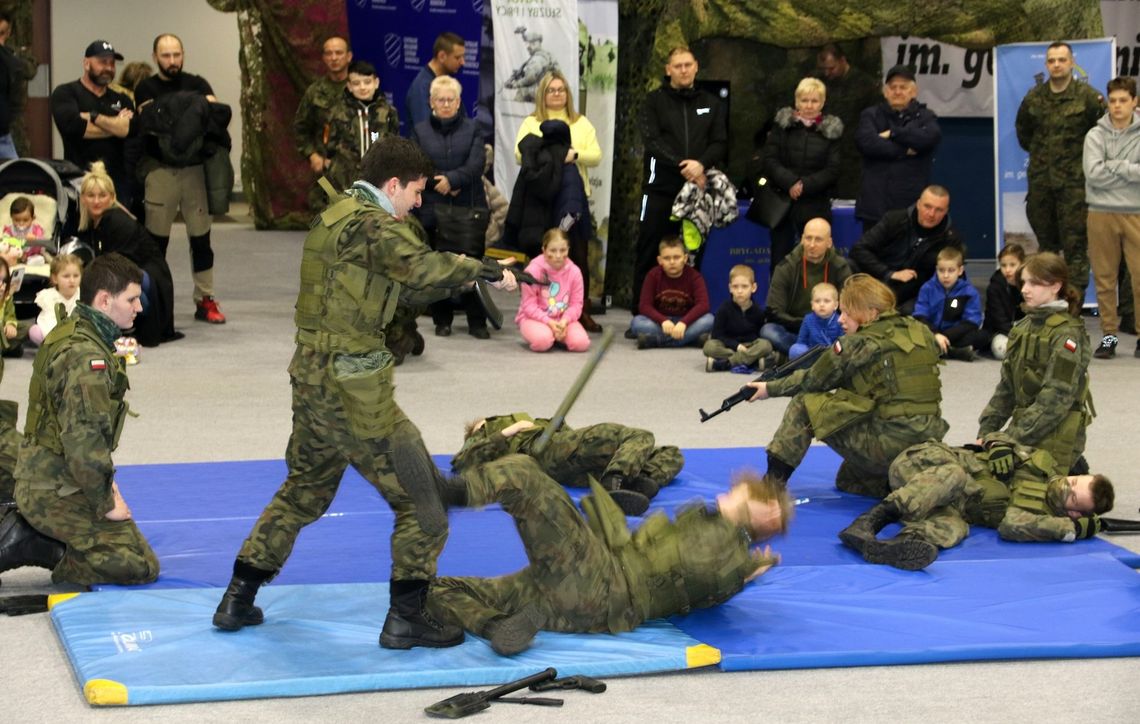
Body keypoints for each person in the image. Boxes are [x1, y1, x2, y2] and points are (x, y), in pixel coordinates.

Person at [211, 136, 518, 650]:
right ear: (392, 185)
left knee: (303, 490)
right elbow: (420, 267)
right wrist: (482, 269)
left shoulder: (336, 215)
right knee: (423, 505)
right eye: (416, 193)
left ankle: (238, 596)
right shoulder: (374, 224)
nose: (419, 203)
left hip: (311, 379)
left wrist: (451, 284)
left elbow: (393, 284)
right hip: (356, 390)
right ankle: (407, 618)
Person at [427, 455, 789, 656]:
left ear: (765, 511)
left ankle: (449, 493)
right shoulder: (728, 552)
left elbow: (701, 568)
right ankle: (495, 626)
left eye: (745, 493)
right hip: (577, 602)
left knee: (524, 475)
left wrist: (743, 535)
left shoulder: (726, 550)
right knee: (435, 590)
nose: (735, 490)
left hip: (600, 583)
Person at [0, 253, 159, 586]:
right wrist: (105, 501)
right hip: (52, 486)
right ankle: (35, 541)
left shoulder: (78, 330)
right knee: (137, 566)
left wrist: (107, 483)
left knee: (135, 554)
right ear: (104, 300)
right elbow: (83, 444)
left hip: (54, 472)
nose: (138, 307)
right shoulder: (87, 358)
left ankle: (45, 535)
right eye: (131, 299)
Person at [748, 273, 947, 498]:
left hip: (888, 447)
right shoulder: (920, 330)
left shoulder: (856, 343)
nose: (841, 319)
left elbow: (812, 380)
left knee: (805, 404)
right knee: (848, 479)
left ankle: (771, 487)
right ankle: (901, 484)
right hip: (927, 446)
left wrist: (769, 388)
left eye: (848, 313)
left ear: (872, 313)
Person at [839, 437, 1114, 570]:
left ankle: (894, 546)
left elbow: (1011, 525)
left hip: (947, 501)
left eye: (1073, 493)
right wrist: (999, 445)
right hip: (928, 463)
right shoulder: (1040, 463)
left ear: (1075, 511)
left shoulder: (1042, 514)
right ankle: (867, 524)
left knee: (955, 528)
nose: (1068, 484)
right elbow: (992, 437)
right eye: (1076, 480)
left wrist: (1071, 529)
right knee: (955, 475)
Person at [134, 33, 229, 325]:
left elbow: (216, 116)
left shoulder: (198, 82)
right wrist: (193, 109)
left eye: (176, 54)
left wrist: (172, 111)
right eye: (165, 55)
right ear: (155, 57)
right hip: (160, 171)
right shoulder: (145, 87)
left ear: (183, 54)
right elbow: (150, 122)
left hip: (194, 172)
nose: (172, 61)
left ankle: (206, 299)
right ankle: (153, 298)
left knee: (201, 240)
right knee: (155, 242)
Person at [977, 252, 1092, 476]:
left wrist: (1008, 438)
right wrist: (988, 429)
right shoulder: (1023, 328)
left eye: (1034, 283)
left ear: (1056, 286)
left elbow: (1055, 400)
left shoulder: (1067, 335)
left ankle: (1073, 470)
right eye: (1024, 282)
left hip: (1056, 431)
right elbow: (1007, 388)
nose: (1024, 289)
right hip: (1025, 428)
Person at [635, 47, 727, 313]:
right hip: (659, 189)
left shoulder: (712, 103)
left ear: (696, 66)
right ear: (668, 69)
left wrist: (700, 165)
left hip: (698, 192)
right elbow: (652, 140)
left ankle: (688, 313)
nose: (683, 70)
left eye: (688, 65)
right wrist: (682, 165)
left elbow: (720, 142)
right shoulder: (654, 101)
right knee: (649, 248)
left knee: (693, 253)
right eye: (678, 66)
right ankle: (640, 312)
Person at [451, 413, 684, 515]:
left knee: (671, 454)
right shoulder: (484, 431)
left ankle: (635, 482)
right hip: (545, 453)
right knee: (640, 436)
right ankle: (614, 484)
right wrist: (507, 432)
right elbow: (461, 461)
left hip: (570, 458)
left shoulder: (530, 422)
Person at [514, 71, 603, 332]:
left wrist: (573, 154)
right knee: (539, 258)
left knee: (578, 255)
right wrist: (552, 156)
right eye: (551, 90)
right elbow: (520, 155)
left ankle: (581, 311)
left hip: (573, 200)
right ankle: (536, 311)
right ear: (543, 94)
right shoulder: (532, 122)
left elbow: (595, 155)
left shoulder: (581, 123)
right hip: (540, 198)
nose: (556, 94)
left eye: (561, 89)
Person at [1017, 41, 1103, 300]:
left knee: (1076, 248)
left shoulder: (1088, 97)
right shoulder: (1034, 97)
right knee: (1047, 247)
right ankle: (1048, 302)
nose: (1056, 65)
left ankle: (1073, 306)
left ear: (1071, 62)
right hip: (1041, 184)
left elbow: (1101, 134)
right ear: (1046, 64)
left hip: (1074, 187)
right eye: (1052, 60)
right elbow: (1024, 134)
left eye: (1062, 60)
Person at [411, 75, 491, 340]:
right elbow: (416, 163)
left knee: (472, 263)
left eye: (451, 99)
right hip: (434, 207)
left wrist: (454, 180)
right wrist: (440, 182)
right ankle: (442, 319)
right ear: (432, 102)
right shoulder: (420, 131)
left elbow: (477, 162)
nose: (446, 104)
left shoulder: (474, 128)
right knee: (439, 265)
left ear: (459, 102)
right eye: (440, 99)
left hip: (469, 207)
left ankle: (477, 321)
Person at [76, 161, 178, 348]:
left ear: (112, 197)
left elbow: (116, 269)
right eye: (91, 195)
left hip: (151, 280)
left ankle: (128, 322)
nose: (96, 201)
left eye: (102, 196)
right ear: (82, 198)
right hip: (137, 273)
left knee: (115, 282)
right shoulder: (92, 223)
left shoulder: (116, 222)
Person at [754, 77, 842, 271]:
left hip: (816, 204)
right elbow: (769, 160)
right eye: (804, 100)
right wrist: (791, 182)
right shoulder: (781, 127)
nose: (809, 105)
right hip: (782, 204)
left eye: (814, 101)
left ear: (823, 102)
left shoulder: (832, 132)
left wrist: (804, 185)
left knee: (818, 263)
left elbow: (833, 169)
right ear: (796, 101)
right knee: (780, 262)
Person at [1083, 76, 1140, 359]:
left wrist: (1113, 166)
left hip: (1136, 214)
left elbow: (1105, 172)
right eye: (1113, 101)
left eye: (1123, 100)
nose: (1117, 106)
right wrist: (1130, 169)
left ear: (1134, 102)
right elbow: (1093, 174)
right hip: (1100, 213)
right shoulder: (1094, 136)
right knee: (1104, 279)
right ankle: (1108, 337)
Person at [49, 40, 136, 210]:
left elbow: (129, 129)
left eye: (112, 63)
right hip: (79, 178)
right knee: (80, 232)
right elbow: (73, 127)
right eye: (102, 62)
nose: (109, 68)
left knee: (116, 233)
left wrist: (94, 117)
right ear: (86, 63)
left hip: (115, 181)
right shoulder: (66, 93)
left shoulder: (121, 98)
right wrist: (115, 126)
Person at [848, 185, 962, 313]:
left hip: (914, 293)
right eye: (927, 206)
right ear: (918, 204)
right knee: (847, 265)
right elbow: (858, 249)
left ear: (946, 211)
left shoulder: (950, 239)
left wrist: (952, 311)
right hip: (877, 279)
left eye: (939, 210)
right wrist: (889, 273)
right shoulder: (894, 220)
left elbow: (958, 279)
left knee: (914, 310)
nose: (931, 214)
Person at [854, 64, 941, 231]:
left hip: (910, 207)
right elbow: (866, 143)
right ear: (885, 92)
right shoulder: (870, 115)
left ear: (913, 92)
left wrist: (893, 133)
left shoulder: (925, 116)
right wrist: (904, 150)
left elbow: (929, 138)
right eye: (893, 87)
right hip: (875, 206)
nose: (898, 91)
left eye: (903, 87)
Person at [760, 217, 852, 355]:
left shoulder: (840, 266)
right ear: (802, 239)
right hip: (795, 327)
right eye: (808, 238)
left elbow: (849, 306)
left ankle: (803, 356)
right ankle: (821, 355)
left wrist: (826, 324)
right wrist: (808, 324)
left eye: (818, 239)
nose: (812, 244)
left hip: (830, 327)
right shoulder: (786, 267)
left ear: (829, 243)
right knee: (768, 331)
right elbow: (774, 311)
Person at [322, 60, 399, 194]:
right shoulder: (337, 111)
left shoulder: (388, 112)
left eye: (367, 82)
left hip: (377, 179)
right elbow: (329, 146)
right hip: (344, 180)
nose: (362, 87)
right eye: (356, 83)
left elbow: (394, 144)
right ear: (349, 86)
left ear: (376, 83)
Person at [815, 44, 880, 200]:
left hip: (854, 157)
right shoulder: (818, 82)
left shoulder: (865, 84)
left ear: (843, 60)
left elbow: (874, 120)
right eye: (824, 69)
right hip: (824, 156)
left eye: (831, 68)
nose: (827, 73)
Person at [294, 35, 352, 211]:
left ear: (349, 56)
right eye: (329, 53)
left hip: (356, 170)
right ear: (323, 58)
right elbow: (300, 128)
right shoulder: (315, 92)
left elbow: (375, 129)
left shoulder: (359, 88)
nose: (334, 58)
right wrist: (312, 155)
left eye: (338, 53)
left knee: (356, 219)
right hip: (325, 169)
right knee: (326, 218)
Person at [629, 236, 713, 349]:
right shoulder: (653, 275)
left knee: (710, 320)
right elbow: (644, 306)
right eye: (667, 258)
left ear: (685, 258)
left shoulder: (695, 277)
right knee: (636, 322)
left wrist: (684, 323)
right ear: (660, 260)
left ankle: (655, 341)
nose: (672, 262)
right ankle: (691, 340)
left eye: (677, 257)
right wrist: (663, 321)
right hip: (660, 323)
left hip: (686, 322)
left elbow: (703, 305)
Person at [516, 228, 589, 353]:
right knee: (542, 341)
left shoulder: (575, 272)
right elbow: (528, 306)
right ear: (544, 250)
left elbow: (576, 304)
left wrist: (564, 321)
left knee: (581, 343)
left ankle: (556, 335)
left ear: (568, 250)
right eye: (553, 251)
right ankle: (549, 334)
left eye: (563, 250)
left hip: (563, 320)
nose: (558, 256)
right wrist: (549, 322)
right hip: (534, 318)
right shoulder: (532, 271)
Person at [912, 245, 985, 361]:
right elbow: (920, 315)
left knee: (981, 337)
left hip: (954, 335)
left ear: (960, 271)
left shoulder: (969, 292)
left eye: (951, 271)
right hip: (931, 332)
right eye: (941, 270)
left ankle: (941, 349)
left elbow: (971, 321)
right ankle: (952, 351)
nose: (945, 275)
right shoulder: (927, 288)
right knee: (912, 333)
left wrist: (945, 336)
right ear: (936, 269)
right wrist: (935, 334)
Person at [703, 264, 773, 373]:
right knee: (709, 347)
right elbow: (717, 335)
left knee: (766, 345)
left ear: (753, 288)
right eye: (735, 287)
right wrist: (737, 346)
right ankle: (752, 361)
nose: (740, 291)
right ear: (730, 288)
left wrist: (748, 347)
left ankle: (726, 362)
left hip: (749, 346)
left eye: (744, 286)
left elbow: (759, 334)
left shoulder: (758, 311)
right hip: (729, 345)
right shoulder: (723, 309)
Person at [405, 32, 465, 130]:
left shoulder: (449, 84)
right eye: (457, 57)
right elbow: (424, 131)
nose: (463, 62)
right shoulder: (422, 87)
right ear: (442, 56)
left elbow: (464, 121)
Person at [982, 243, 1027, 360]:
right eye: (1003, 265)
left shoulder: (1028, 284)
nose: (1007, 270)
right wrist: (1019, 337)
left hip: (1024, 329)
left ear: (1022, 264)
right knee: (1002, 349)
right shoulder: (994, 288)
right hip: (1001, 331)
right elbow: (999, 321)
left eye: (1012, 265)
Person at [28, 254, 82, 346]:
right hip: (54, 333)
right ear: (55, 278)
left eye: (76, 276)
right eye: (66, 276)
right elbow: (47, 320)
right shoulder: (48, 296)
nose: (72, 280)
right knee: (34, 331)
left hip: (77, 334)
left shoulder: (82, 295)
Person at [503, 28, 559, 104]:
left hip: (542, 92)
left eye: (530, 44)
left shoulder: (537, 58)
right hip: (550, 91)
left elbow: (530, 78)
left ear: (536, 43)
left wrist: (514, 84)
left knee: (522, 92)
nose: (528, 47)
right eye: (527, 44)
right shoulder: (546, 55)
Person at [789, 282, 842, 360]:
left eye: (826, 301)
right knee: (795, 349)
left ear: (836, 305)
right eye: (817, 301)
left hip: (832, 357)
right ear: (812, 305)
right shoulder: (808, 319)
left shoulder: (840, 320)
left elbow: (842, 344)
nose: (821, 304)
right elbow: (801, 342)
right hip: (812, 355)